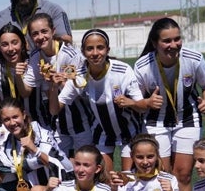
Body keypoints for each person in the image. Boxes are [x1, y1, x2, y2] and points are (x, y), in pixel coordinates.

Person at [134, 17, 205, 191]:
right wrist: (146, 102)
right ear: (155, 43)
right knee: (163, 174)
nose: (174, 45)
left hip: (187, 119)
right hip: (155, 122)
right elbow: (134, 100)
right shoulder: (143, 66)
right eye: (167, 41)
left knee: (183, 173)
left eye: (177, 39)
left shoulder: (193, 58)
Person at [52, 29, 148, 173]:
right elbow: (55, 109)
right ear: (83, 52)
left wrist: (131, 103)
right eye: (90, 49)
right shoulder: (79, 75)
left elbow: (142, 107)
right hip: (102, 132)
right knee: (104, 180)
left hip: (129, 131)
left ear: (107, 49)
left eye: (100, 48)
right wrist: (53, 87)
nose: (95, 53)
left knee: (129, 178)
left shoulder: (123, 71)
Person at [24, 13, 92, 158]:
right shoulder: (35, 56)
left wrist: (58, 84)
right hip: (56, 123)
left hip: (79, 119)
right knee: (61, 166)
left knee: (84, 163)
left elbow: (80, 87)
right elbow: (26, 89)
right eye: (35, 34)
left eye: (44, 31)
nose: (40, 37)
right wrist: (18, 74)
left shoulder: (70, 54)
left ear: (53, 31)